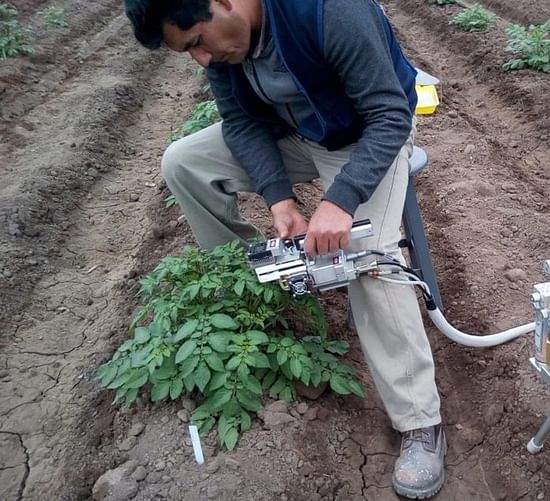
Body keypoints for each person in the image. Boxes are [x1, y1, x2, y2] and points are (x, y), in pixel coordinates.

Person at [124, 0, 446, 497]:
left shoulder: (329, 11)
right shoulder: (226, 47)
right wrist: (278, 198)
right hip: (293, 134)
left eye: (196, 43)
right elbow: (241, 123)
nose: (201, 61)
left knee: (370, 257)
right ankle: (261, 292)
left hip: (365, 138)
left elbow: (389, 114)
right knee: (184, 162)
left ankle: (419, 422)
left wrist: (341, 201)